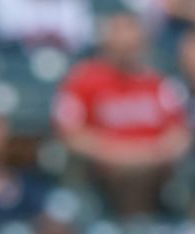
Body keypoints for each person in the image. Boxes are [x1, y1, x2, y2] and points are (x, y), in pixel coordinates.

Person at [52, 12, 190, 215]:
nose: (126, 47)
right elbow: (69, 133)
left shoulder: (159, 83)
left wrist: (151, 154)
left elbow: (180, 134)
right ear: (106, 42)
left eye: (131, 42)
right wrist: (116, 153)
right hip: (102, 172)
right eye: (120, 41)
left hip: (154, 172)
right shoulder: (83, 79)